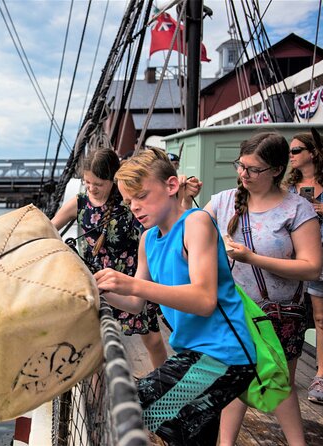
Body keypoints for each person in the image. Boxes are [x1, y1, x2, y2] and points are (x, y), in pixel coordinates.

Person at [94, 147, 256, 444]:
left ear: (171, 186)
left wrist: (130, 284)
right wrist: (99, 293)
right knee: (193, 434)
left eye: (141, 196)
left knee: (135, 403)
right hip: (194, 353)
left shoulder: (196, 223)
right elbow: (134, 303)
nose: (135, 207)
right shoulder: (148, 239)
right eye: (130, 202)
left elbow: (205, 300)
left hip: (224, 355)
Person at [204, 132, 323, 445]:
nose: (244, 174)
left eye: (253, 169)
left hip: (278, 314)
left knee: (278, 384)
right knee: (236, 380)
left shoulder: (297, 209)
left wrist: (251, 257)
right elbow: (190, 238)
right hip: (235, 310)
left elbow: (312, 267)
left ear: (276, 170)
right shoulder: (222, 201)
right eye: (241, 166)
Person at [51, 147, 169, 368]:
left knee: (152, 339)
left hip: (131, 278)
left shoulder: (127, 203)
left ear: (112, 179)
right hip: (96, 281)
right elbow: (49, 229)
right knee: (94, 344)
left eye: (99, 183)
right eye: (88, 182)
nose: (92, 188)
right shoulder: (80, 203)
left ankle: (165, 381)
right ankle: (97, 398)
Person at [286, 131, 323, 405]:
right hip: (289, 261)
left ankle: (322, 375)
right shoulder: (287, 188)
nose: (291, 155)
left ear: (312, 153)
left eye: (296, 150)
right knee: (291, 317)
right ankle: (285, 374)